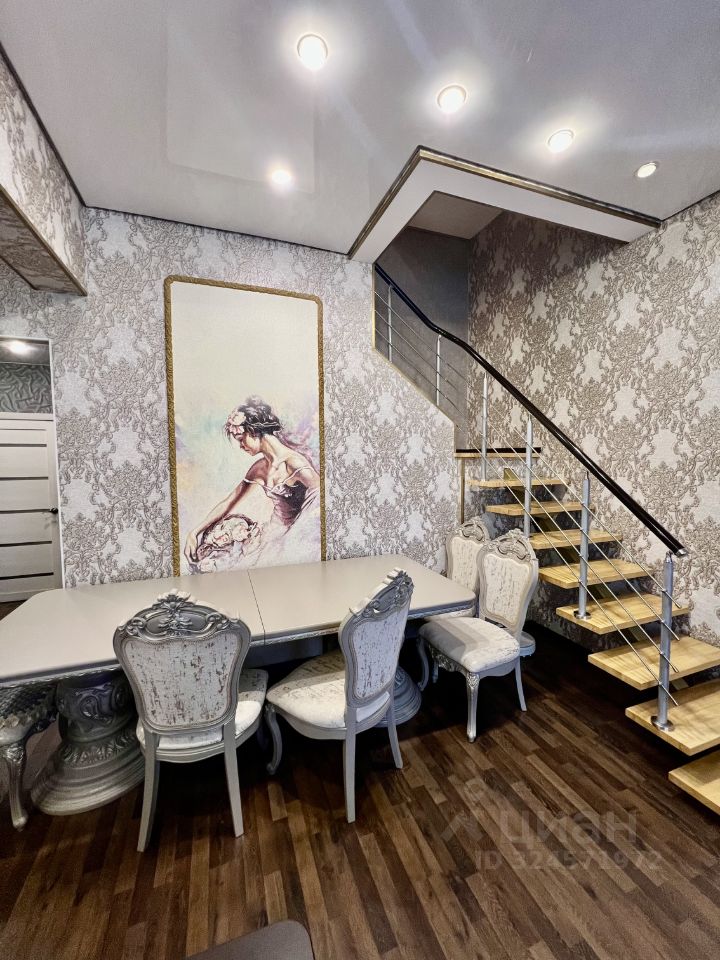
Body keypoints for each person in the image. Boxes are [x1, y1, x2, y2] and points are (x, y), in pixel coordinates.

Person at [184, 397, 321, 567]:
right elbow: (228, 502)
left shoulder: (295, 464)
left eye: (241, 438)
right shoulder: (259, 468)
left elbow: (318, 505)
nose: (241, 446)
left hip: (292, 539)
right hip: (270, 535)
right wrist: (195, 532)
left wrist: (290, 540)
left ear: (254, 432)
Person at [190, 513, 262, 572]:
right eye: (215, 543)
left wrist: (243, 529)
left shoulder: (233, 524)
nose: (219, 538)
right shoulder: (231, 547)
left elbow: (237, 523)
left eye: (214, 537)